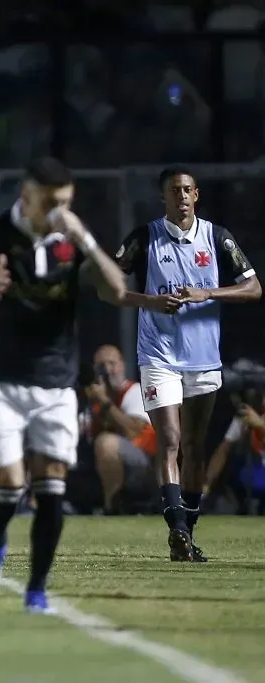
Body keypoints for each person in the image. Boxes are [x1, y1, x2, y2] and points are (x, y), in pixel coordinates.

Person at [0, 157, 127, 614]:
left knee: (52, 484)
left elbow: (118, 290)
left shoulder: (70, 242)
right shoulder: (0, 232)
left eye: (66, 204)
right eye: (51, 203)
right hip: (3, 379)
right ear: (26, 199)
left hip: (56, 382)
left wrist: (86, 239)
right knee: (10, 483)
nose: (59, 213)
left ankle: (36, 588)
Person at [109, 165, 261, 561]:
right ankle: (176, 524)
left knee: (194, 446)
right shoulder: (145, 236)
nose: (181, 196)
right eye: (173, 190)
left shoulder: (217, 238)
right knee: (171, 440)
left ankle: (186, 536)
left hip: (204, 358)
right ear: (163, 197)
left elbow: (254, 287)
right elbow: (107, 285)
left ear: (197, 195)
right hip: (158, 355)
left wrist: (205, 293)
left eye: (187, 190)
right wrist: (150, 301)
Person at [85, 345, 157, 513]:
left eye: (112, 363)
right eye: (101, 365)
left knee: (106, 443)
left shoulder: (134, 391)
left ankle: (112, 508)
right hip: (98, 465)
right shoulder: (89, 396)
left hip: (143, 462)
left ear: (122, 365)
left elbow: (136, 432)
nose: (108, 370)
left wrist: (104, 403)